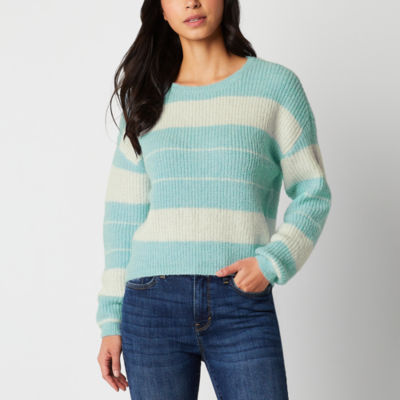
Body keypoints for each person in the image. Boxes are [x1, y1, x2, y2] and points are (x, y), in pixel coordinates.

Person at [96, 0, 332, 399]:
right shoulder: (145, 98)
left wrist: (272, 261)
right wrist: (110, 321)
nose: (191, 2)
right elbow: (123, 217)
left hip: (240, 301)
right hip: (150, 307)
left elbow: (313, 191)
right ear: (161, 10)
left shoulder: (275, 87)